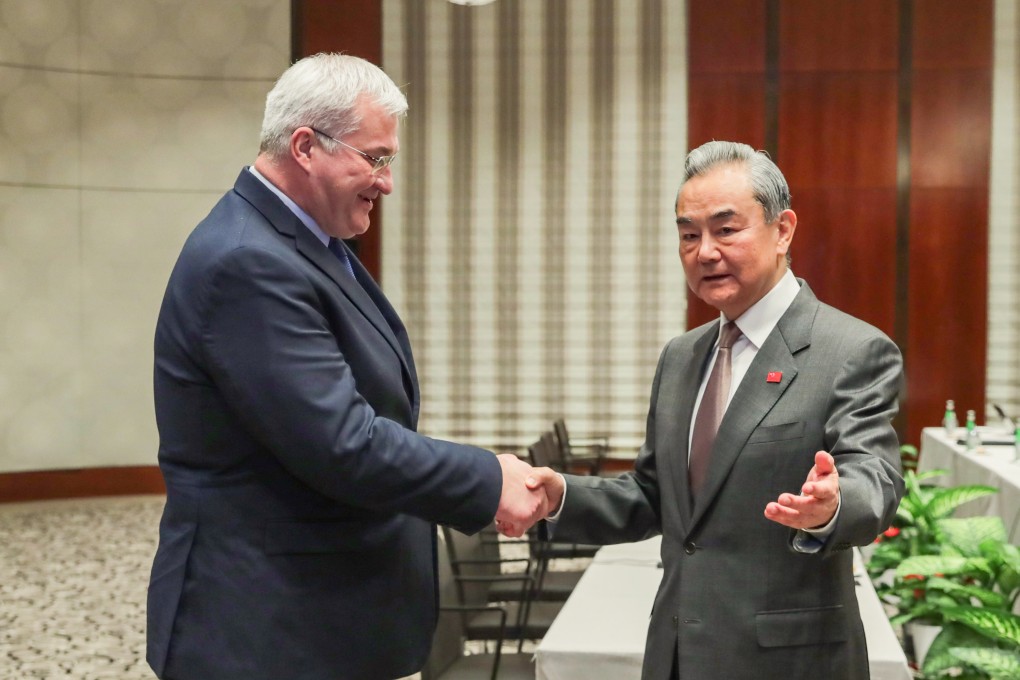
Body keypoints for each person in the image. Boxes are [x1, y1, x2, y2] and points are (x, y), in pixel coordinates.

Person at [146, 53, 547, 680]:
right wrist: (487, 477)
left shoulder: (306, 242)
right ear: (305, 146)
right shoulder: (247, 261)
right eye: (376, 157)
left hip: (317, 611)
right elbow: (341, 444)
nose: (386, 181)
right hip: (265, 627)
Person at [523, 140, 905, 680]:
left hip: (788, 662)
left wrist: (834, 505)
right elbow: (655, 495)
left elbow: (877, 478)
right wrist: (560, 496)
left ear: (783, 229)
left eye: (726, 230)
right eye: (688, 235)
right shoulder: (681, 357)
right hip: (677, 654)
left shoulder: (850, 350)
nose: (704, 251)